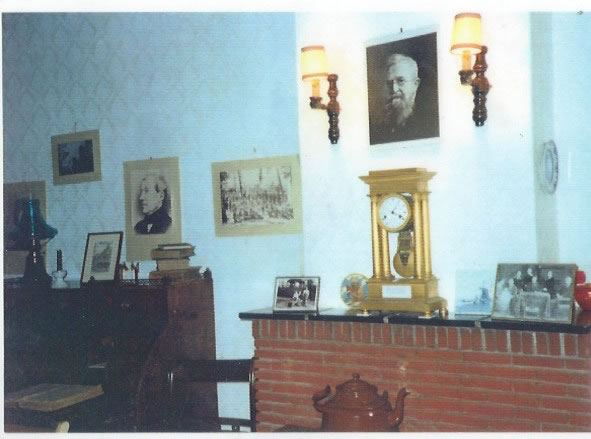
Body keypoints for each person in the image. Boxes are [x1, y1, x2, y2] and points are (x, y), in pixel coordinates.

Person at [370, 53, 438, 144]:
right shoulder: (378, 127)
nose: (394, 89)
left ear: (415, 84)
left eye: (400, 81)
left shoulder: (429, 122)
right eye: (389, 83)